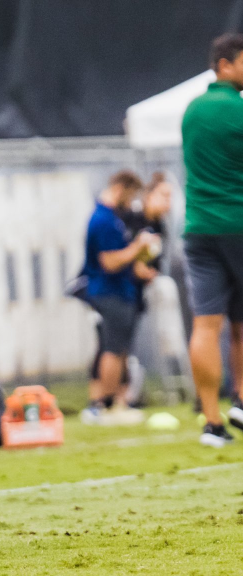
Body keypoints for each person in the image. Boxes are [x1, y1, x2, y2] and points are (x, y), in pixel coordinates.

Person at [182, 33, 243, 447]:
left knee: (205, 325)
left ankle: (212, 422)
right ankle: (241, 399)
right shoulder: (238, 109)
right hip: (238, 224)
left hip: (199, 227)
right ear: (224, 64)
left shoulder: (192, 110)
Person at [79, 171, 155, 425]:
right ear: (121, 188)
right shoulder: (103, 220)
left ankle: (118, 403)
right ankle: (106, 404)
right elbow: (109, 262)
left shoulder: (113, 217)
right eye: (131, 195)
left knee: (120, 349)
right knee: (111, 349)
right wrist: (138, 247)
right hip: (109, 293)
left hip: (121, 291)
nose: (131, 202)